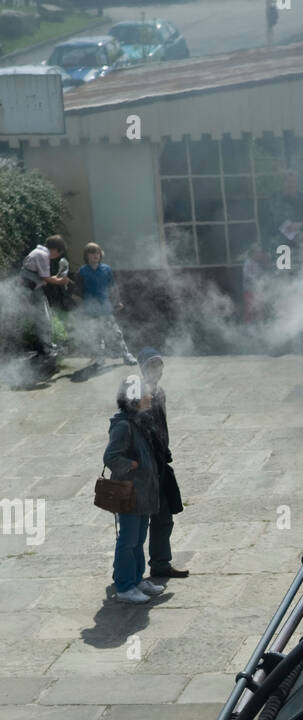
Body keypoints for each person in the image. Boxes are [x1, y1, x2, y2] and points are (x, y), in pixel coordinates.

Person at [103, 375, 163, 604]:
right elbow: (111, 457)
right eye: (146, 393)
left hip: (143, 493)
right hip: (129, 494)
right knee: (128, 541)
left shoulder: (140, 421)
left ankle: (137, 579)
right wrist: (132, 465)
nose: (150, 396)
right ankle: (125, 586)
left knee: (138, 540)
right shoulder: (124, 426)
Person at [135, 347, 187, 582]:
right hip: (145, 467)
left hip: (160, 462)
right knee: (137, 525)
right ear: (143, 368)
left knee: (164, 517)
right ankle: (128, 575)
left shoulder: (160, 392)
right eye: (152, 366)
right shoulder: (138, 394)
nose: (157, 370)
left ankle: (160, 564)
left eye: (159, 365)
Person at [75, 242, 137, 366]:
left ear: (100, 255)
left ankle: (126, 356)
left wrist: (117, 301)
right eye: (92, 253)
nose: (95, 256)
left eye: (97, 253)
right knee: (97, 336)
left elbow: (113, 287)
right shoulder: (82, 271)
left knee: (116, 334)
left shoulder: (106, 269)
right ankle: (100, 358)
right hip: (91, 310)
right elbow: (78, 291)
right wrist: (80, 307)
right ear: (86, 256)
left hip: (105, 308)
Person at [19, 235, 70, 359]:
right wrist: (60, 282)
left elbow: (43, 277)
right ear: (55, 249)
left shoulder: (37, 252)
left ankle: (46, 346)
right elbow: (45, 278)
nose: (56, 257)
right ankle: (47, 349)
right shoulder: (43, 255)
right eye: (58, 254)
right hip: (32, 291)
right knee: (44, 319)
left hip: (31, 289)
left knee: (43, 318)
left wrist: (57, 279)